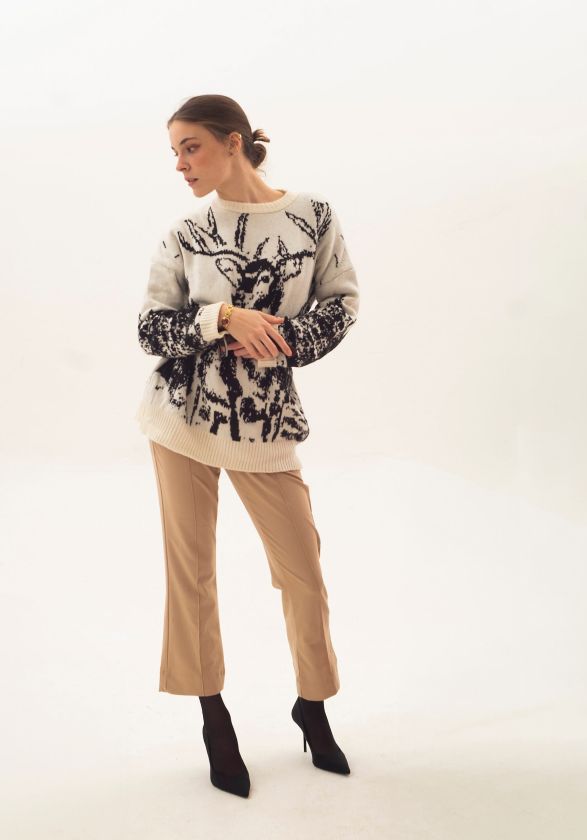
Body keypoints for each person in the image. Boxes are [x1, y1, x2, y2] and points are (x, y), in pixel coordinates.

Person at [134, 94, 360, 798]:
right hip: (180, 421)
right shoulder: (185, 233)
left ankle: (312, 705)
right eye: (175, 152)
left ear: (234, 142)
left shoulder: (311, 215)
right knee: (192, 574)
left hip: (264, 423)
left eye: (191, 147)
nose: (181, 164)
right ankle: (213, 715)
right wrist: (223, 318)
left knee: (303, 572)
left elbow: (342, 300)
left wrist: (283, 341)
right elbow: (150, 327)